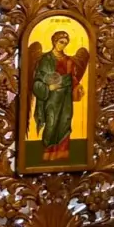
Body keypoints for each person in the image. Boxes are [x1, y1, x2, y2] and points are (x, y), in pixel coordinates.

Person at [26, 29, 87, 163]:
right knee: (52, 123)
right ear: (54, 42)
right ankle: (48, 153)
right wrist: (48, 88)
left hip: (65, 98)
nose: (62, 45)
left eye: (65, 43)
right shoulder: (45, 59)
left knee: (65, 122)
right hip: (51, 98)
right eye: (61, 42)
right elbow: (37, 80)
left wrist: (78, 85)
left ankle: (62, 154)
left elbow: (72, 77)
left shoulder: (69, 60)